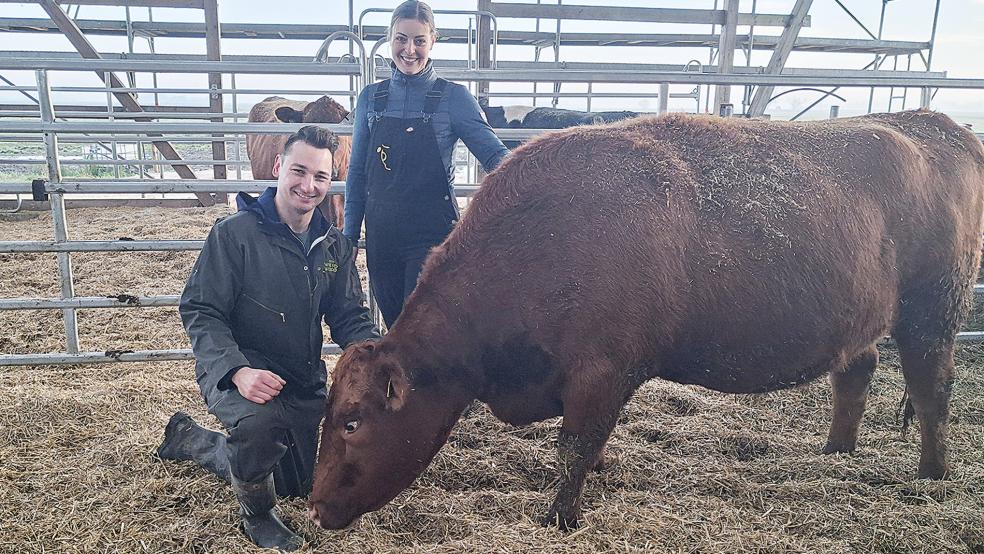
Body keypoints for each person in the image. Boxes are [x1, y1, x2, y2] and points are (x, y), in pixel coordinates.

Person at [157, 125, 379, 551]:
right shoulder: (234, 235)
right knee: (261, 430)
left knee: (292, 483)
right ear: (277, 167)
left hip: (299, 378)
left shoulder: (334, 246)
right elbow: (201, 311)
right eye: (299, 171)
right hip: (239, 372)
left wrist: (375, 356)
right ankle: (256, 515)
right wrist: (237, 370)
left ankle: (192, 439)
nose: (308, 186)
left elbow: (349, 314)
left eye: (320, 177)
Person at [344, 0, 509, 327]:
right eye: (401, 39)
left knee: (419, 330)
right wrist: (350, 237)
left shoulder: (454, 98)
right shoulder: (371, 99)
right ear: (390, 39)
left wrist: (530, 187)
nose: (409, 49)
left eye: (419, 40)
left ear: (433, 40)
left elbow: (495, 157)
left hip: (431, 237)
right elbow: (358, 172)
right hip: (382, 238)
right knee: (394, 326)